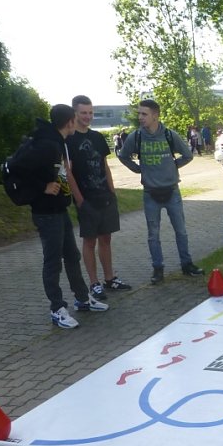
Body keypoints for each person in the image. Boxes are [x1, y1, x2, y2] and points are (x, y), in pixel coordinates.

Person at [17, 104, 109, 328]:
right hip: (46, 213)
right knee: (52, 262)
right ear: (69, 121)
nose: (79, 120)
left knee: (71, 255)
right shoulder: (46, 145)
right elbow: (20, 169)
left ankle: (82, 298)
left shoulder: (59, 142)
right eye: (75, 118)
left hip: (59, 209)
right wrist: (42, 187)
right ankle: (57, 309)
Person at [118, 99, 203, 284]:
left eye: (144, 114)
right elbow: (123, 156)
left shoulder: (169, 135)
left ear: (155, 115)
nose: (140, 117)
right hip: (150, 194)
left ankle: (187, 264)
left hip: (172, 191)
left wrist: (173, 167)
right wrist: (137, 169)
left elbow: (188, 155)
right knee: (153, 234)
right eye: (139, 114)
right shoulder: (136, 137)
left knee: (180, 231)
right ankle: (158, 269)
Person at [66, 95, 131, 301]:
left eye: (90, 112)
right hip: (86, 199)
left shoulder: (97, 137)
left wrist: (112, 191)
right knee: (89, 241)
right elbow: (68, 173)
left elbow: (105, 166)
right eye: (83, 113)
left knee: (106, 238)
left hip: (105, 196)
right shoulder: (68, 140)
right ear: (74, 113)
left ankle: (109, 278)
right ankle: (94, 283)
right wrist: (79, 200)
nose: (88, 117)